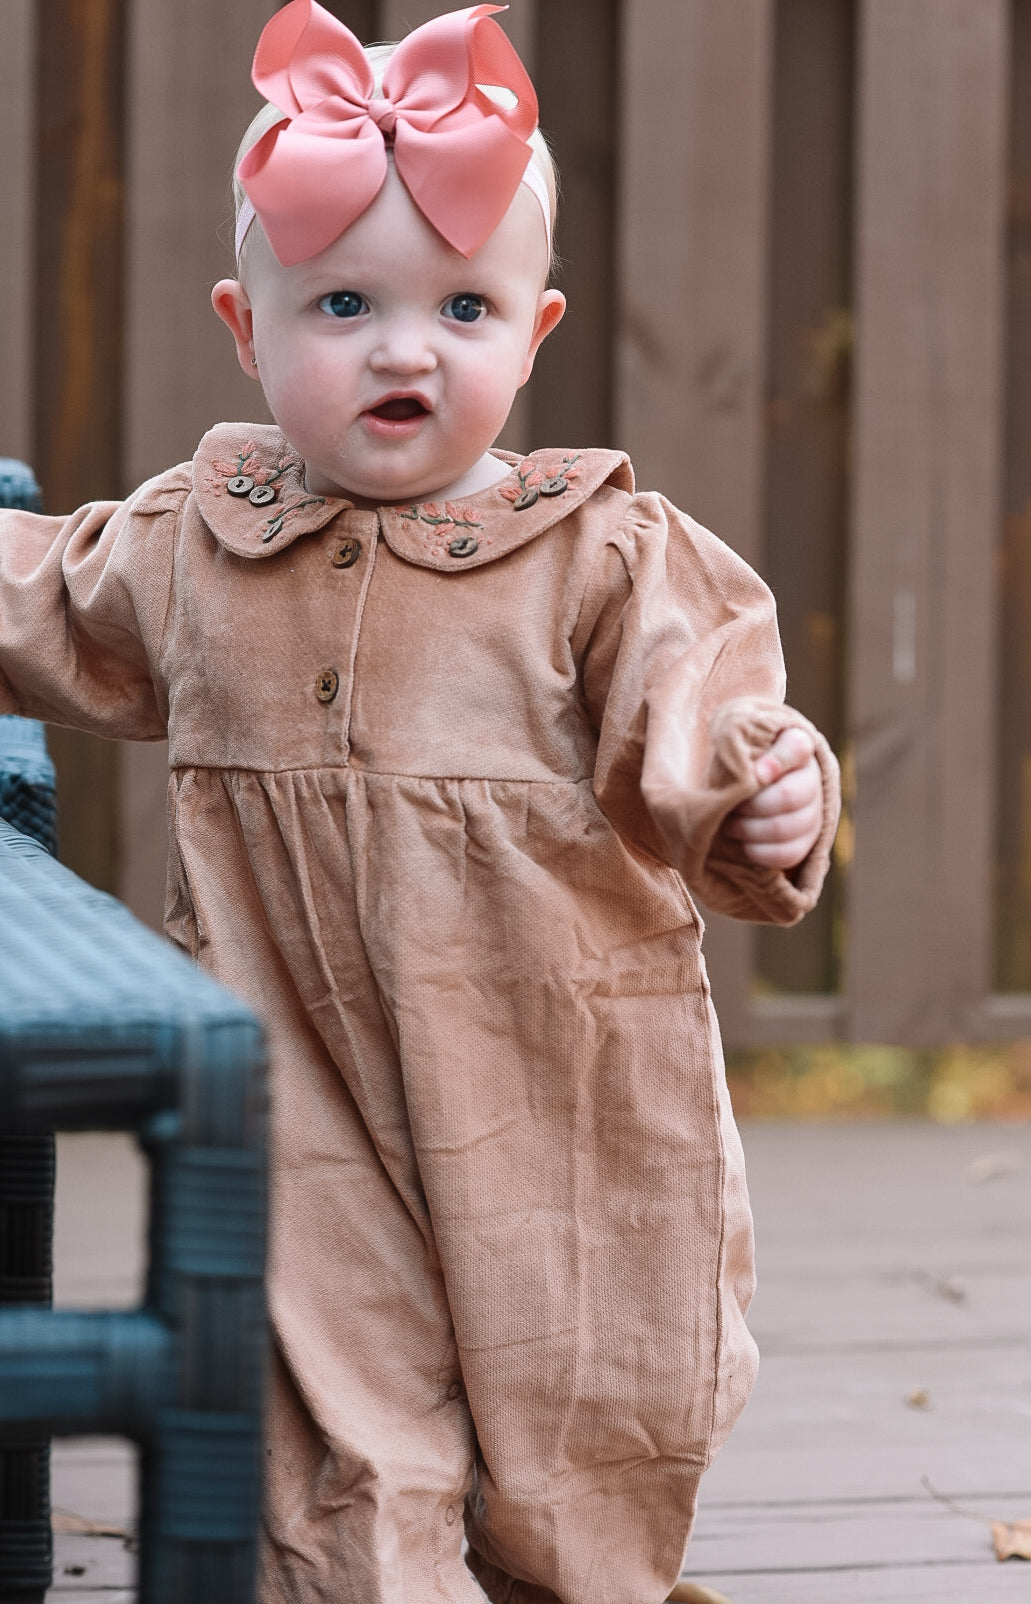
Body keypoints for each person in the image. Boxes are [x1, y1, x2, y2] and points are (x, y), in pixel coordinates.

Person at [0, 5, 840, 1600]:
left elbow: (706, 704)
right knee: (329, 1438)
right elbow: (33, 596)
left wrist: (760, 793)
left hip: (567, 1082)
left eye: (463, 304)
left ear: (535, 332)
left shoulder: (604, 555)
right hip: (302, 1079)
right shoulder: (197, 545)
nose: (405, 346)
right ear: (249, 329)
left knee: (591, 1412)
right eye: (344, 304)